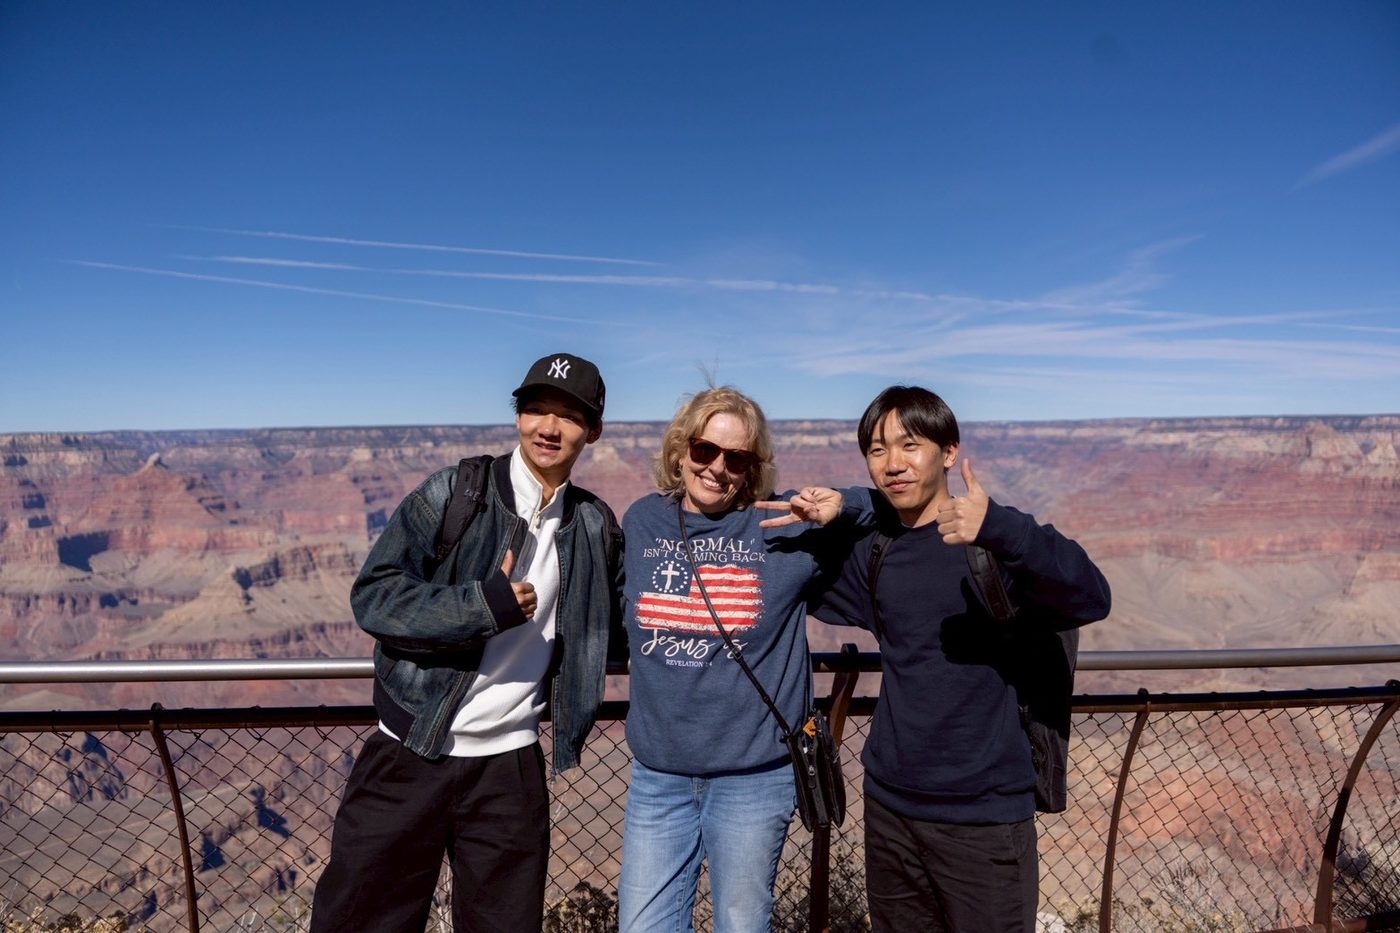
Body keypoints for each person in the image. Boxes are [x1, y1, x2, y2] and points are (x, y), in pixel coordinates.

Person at [311, 352, 624, 933]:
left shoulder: (593, 526)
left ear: (594, 431)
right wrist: (484, 607)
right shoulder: (457, 492)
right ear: (517, 417)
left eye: (567, 416)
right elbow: (375, 596)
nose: (547, 428)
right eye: (535, 410)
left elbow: (627, 622)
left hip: (509, 771)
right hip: (410, 756)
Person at [811, 385, 1111, 933]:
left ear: (949, 452)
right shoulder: (876, 551)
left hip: (985, 816)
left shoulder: (995, 546)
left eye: (910, 445)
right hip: (890, 807)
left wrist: (998, 526)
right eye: (877, 450)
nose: (893, 464)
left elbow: (1092, 596)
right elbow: (792, 549)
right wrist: (846, 501)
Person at [617, 386, 871, 933]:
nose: (717, 469)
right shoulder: (642, 521)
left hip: (754, 778)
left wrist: (844, 504)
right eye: (705, 450)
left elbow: (891, 513)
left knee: (742, 924)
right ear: (681, 448)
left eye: (737, 458)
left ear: (753, 467)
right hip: (659, 775)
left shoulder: (784, 525)